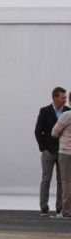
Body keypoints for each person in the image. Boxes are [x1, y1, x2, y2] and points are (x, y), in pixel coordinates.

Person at [35, 87, 70, 216]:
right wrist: (43, 148)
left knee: (62, 180)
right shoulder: (44, 111)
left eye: (66, 98)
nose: (65, 100)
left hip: (63, 152)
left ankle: (60, 207)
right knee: (46, 179)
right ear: (55, 98)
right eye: (62, 98)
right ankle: (44, 207)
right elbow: (38, 131)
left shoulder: (68, 111)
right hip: (49, 152)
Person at [51, 98, 71, 218]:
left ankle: (66, 211)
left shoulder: (67, 115)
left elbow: (54, 132)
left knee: (66, 182)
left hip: (66, 152)